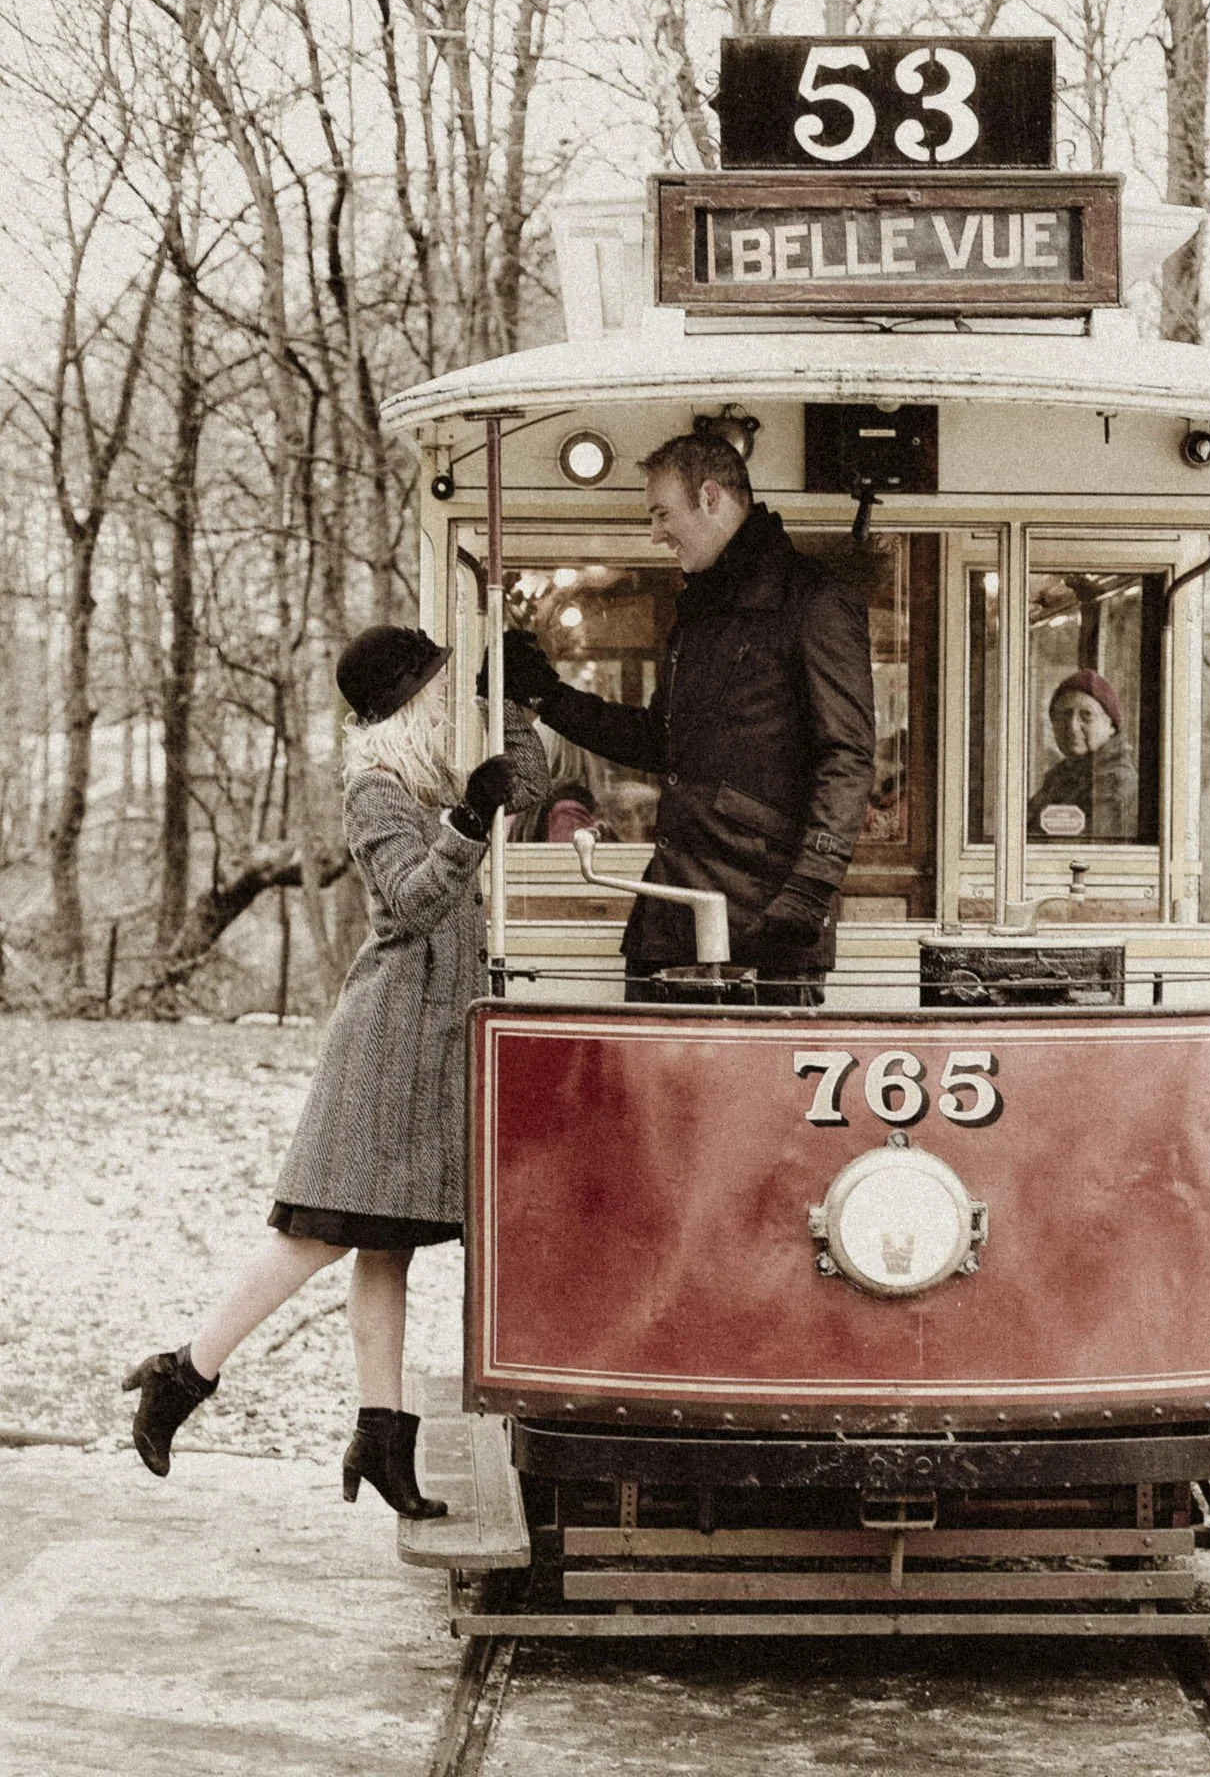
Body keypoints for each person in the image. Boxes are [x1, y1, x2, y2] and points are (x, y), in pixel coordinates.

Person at [122, 625, 548, 1516]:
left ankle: (380, 1439)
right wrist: (468, 823)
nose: (448, 702)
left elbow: (528, 785)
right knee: (315, 1235)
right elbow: (414, 902)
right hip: (388, 1041)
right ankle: (184, 1373)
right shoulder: (375, 789)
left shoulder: (428, 776)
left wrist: (507, 697)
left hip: (433, 1039)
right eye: (438, 690)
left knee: (388, 1248)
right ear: (405, 706)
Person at [495, 429, 876, 1000]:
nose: (656, 534)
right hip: (674, 914)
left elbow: (846, 755)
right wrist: (548, 697)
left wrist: (811, 888)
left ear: (710, 496)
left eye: (662, 513)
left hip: (767, 920)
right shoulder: (701, 608)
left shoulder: (814, 601)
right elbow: (659, 741)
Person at [1027, 669, 1139, 842]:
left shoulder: (1115, 779)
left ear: (1111, 726)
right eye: (1063, 716)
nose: (1072, 727)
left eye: (1086, 715)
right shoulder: (1060, 777)